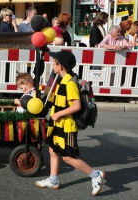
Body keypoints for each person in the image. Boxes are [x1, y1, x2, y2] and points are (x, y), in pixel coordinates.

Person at [35, 50, 105, 196]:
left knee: (68, 157)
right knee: (53, 150)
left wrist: (58, 114)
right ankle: (53, 180)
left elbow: (76, 106)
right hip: (58, 124)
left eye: (54, 63)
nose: (52, 65)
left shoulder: (70, 83)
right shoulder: (61, 79)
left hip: (67, 126)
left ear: (60, 66)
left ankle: (95, 174)